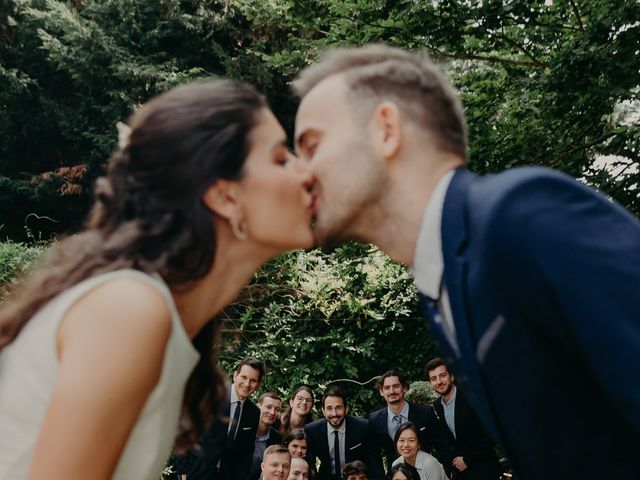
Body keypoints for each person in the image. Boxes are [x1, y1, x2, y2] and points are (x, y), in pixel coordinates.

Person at [292, 44, 640, 479]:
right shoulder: (439, 290)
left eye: (312, 145)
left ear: (385, 130)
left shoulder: (518, 213)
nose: (298, 173)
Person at [0, 78, 315, 480]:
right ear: (223, 196)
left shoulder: (164, 317)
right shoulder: (130, 310)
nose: (303, 171)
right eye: (279, 158)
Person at [427, 358, 501, 480]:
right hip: (461, 475)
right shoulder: (437, 405)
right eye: (433, 378)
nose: (438, 381)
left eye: (442, 375)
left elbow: (492, 434)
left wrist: (467, 460)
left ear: (452, 376)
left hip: (486, 471)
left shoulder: (473, 398)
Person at [368, 370, 444, 470]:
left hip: (424, 473)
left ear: (404, 388)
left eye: (396, 386)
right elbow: (374, 456)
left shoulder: (425, 413)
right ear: (381, 392)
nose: (392, 391)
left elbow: (441, 445)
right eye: (387, 388)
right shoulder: (375, 419)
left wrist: (446, 470)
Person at [305, 387, 385, 480]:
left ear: (346, 409)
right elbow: (310, 462)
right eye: (329, 408)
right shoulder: (312, 430)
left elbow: (374, 462)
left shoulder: (363, 427)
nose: (334, 413)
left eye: (338, 407)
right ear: (323, 411)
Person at [250, 392, 285, 480]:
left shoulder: (276, 438)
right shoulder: (244, 429)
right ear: (258, 406)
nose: (272, 412)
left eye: (277, 409)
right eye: (268, 407)